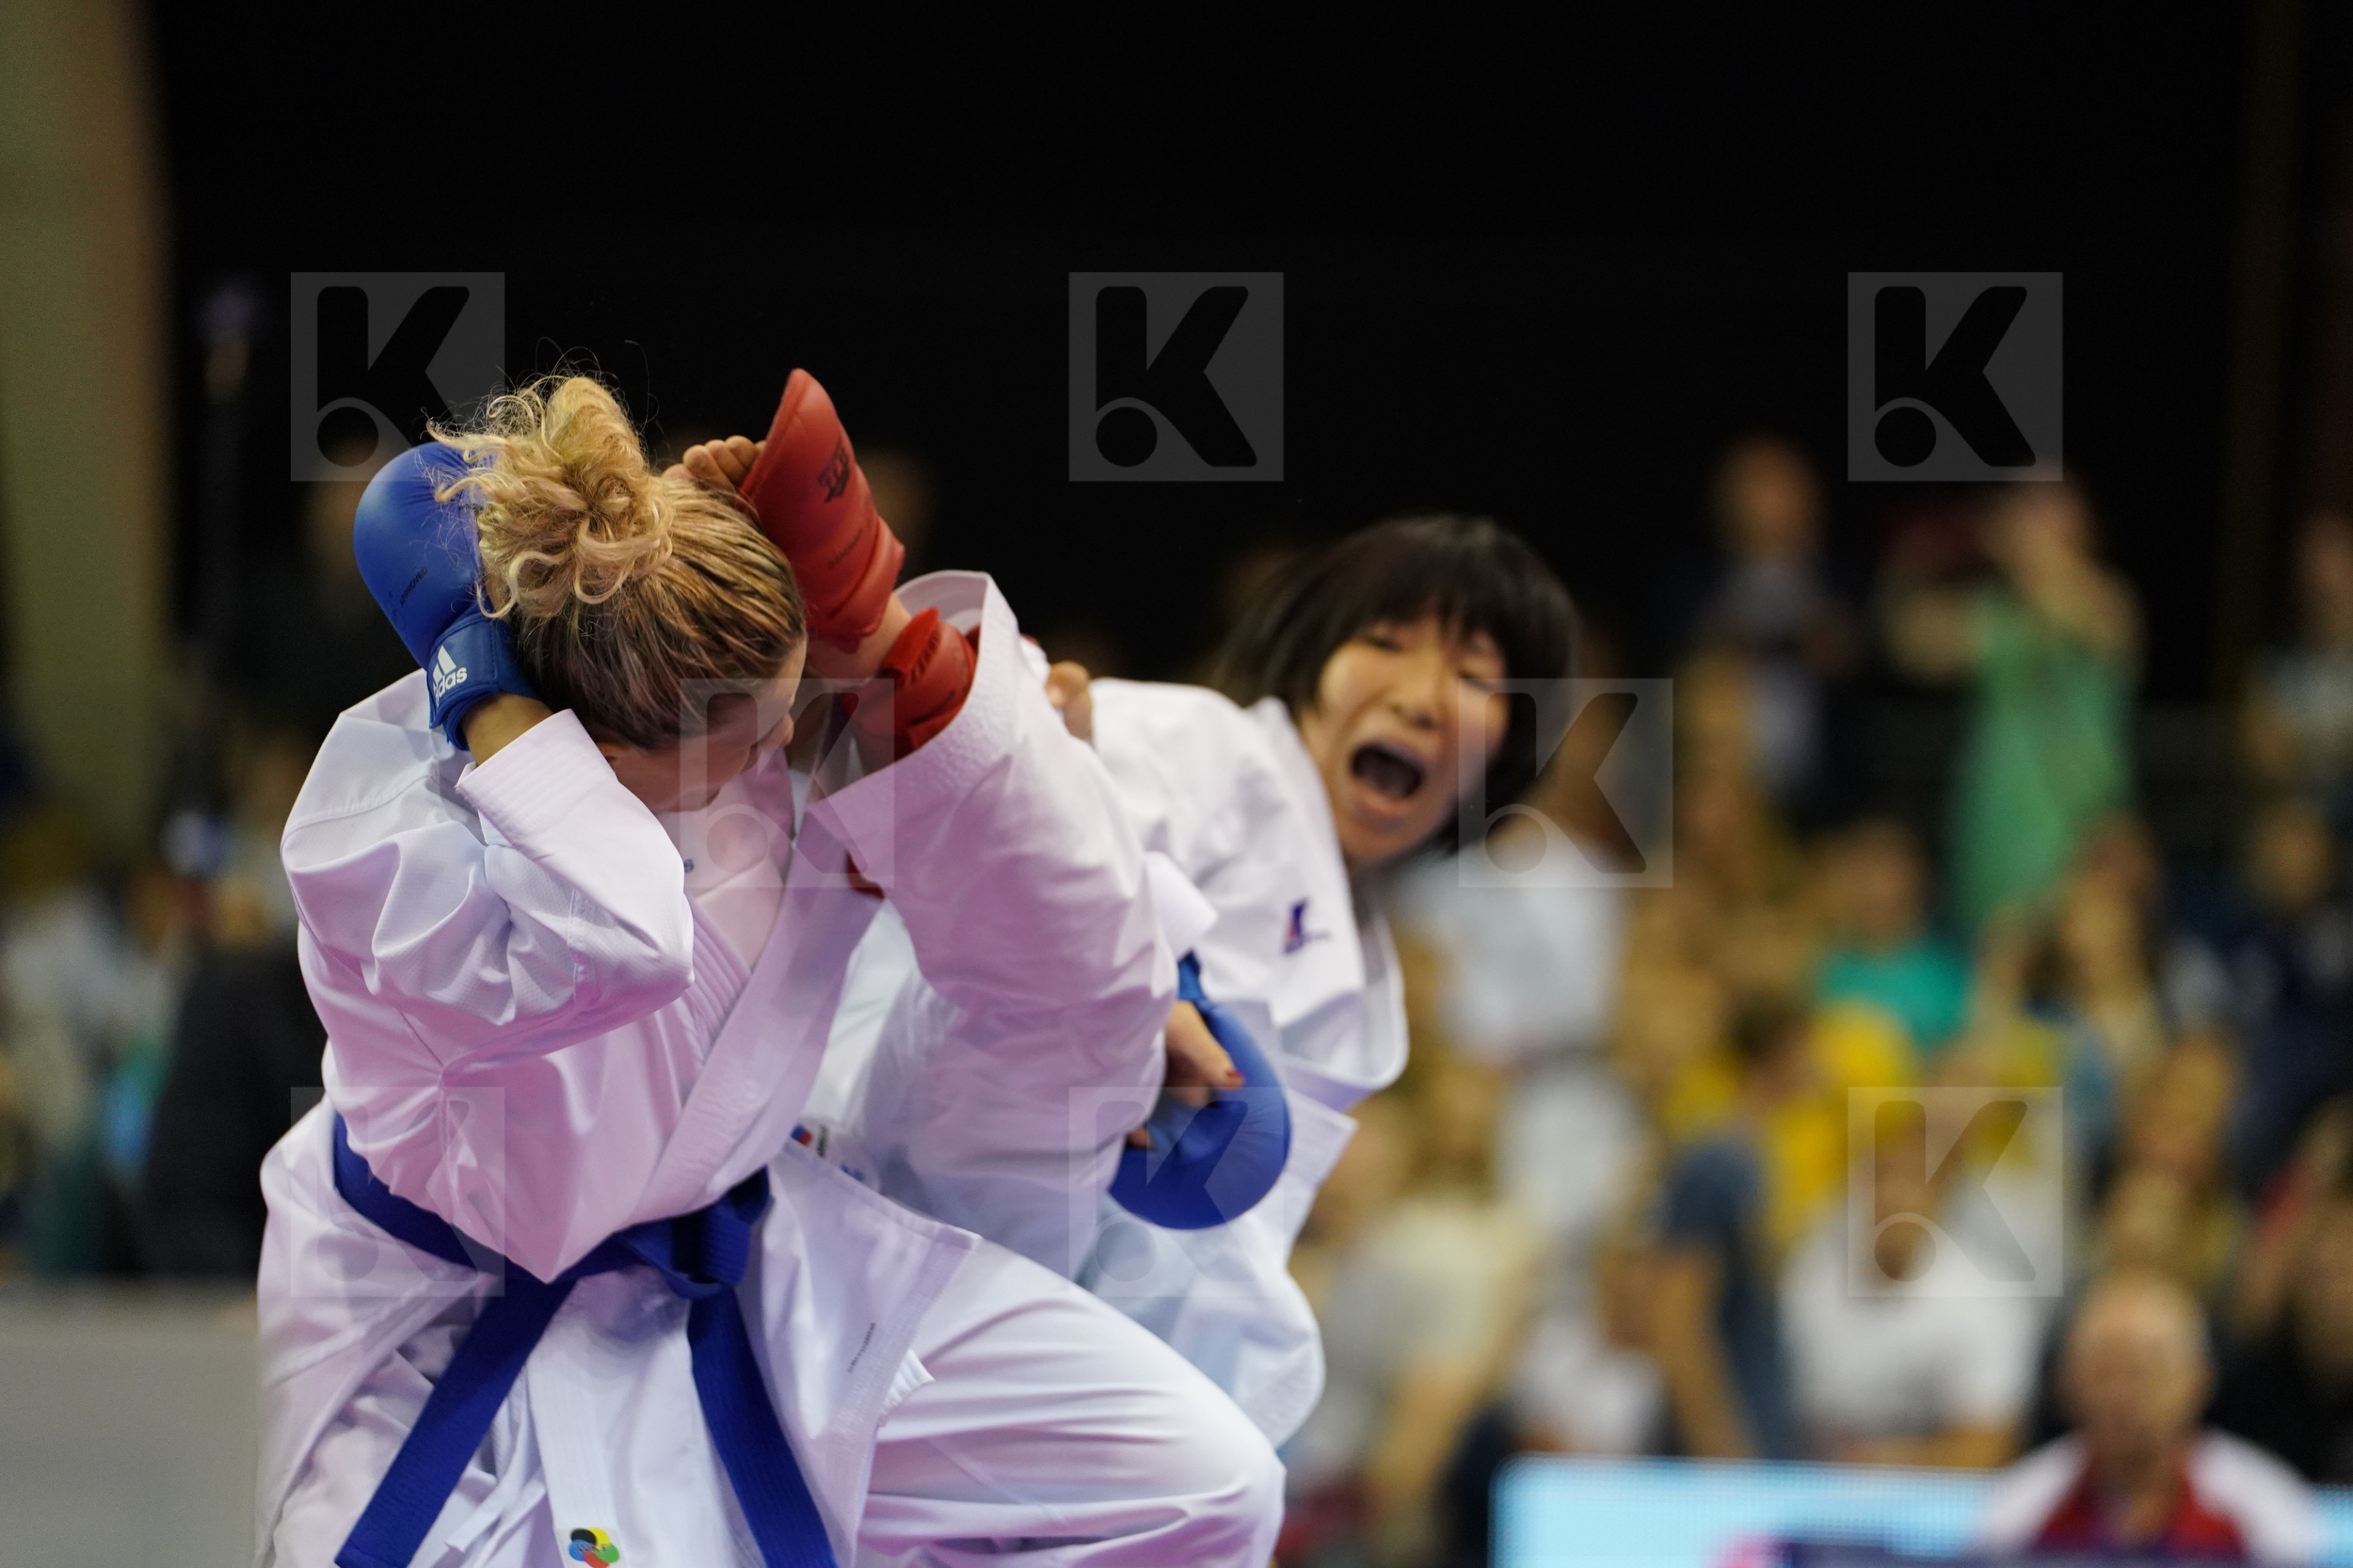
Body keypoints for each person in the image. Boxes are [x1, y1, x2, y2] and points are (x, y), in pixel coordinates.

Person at [257, 374, 1281, 1567]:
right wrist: (479, 685)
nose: (787, 747)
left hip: (764, 1262)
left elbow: (1029, 882)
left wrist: (875, 624)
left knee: (1206, 1485)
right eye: (754, 733)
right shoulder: (396, 848)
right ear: (614, 748)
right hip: (438, 1318)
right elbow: (620, 940)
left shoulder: (737, 724)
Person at [817, 511, 1577, 1449]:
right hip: (890, 1160)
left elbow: (1194, 1252)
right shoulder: (1209, 749)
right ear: (1307, 663)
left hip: (1011, 1299)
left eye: (1473, 676)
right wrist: (1059, 765)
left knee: (1246, 1416)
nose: (1421, 696)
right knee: (1086, 940)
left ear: (1506, 747)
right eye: (1385, 642)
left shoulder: (1369, 989)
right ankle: (882, 636)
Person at [1980, 1272, 2316, 1562]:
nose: (2122, 1393)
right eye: (2104, 1371)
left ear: (2198, 1380)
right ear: (2067, 1381)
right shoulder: (2020, 1509)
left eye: (2144, 1371)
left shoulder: (2267, 1510)